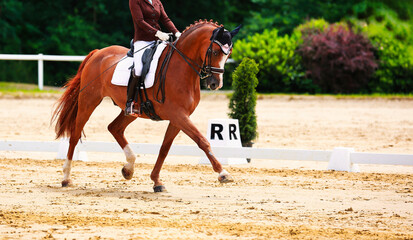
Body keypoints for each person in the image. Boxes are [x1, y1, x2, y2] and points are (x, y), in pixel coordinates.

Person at [126, 0, 181, 116]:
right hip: (142, 41)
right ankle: (130, 103)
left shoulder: (157, 1)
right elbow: (139, 21)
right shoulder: (135, 1)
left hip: (158, 40)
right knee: (139, 69)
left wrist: (176, 33)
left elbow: (166, 19)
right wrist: (158, 33)